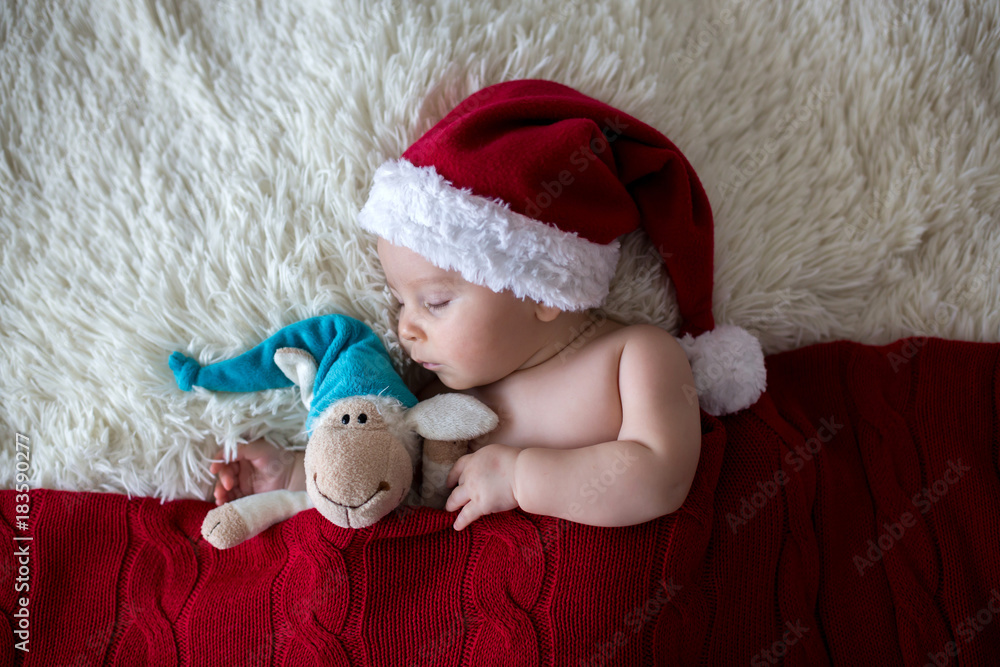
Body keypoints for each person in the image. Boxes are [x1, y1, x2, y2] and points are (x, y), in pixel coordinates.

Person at [209, 80, 767, 531]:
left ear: (541, 293)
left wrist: (521, 478)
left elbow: (661, 477)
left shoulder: (634, 356)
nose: (406, 328)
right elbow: (384, 485)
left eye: (435, 301)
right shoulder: (442, 398)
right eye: (402, 302)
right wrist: (292, 476)